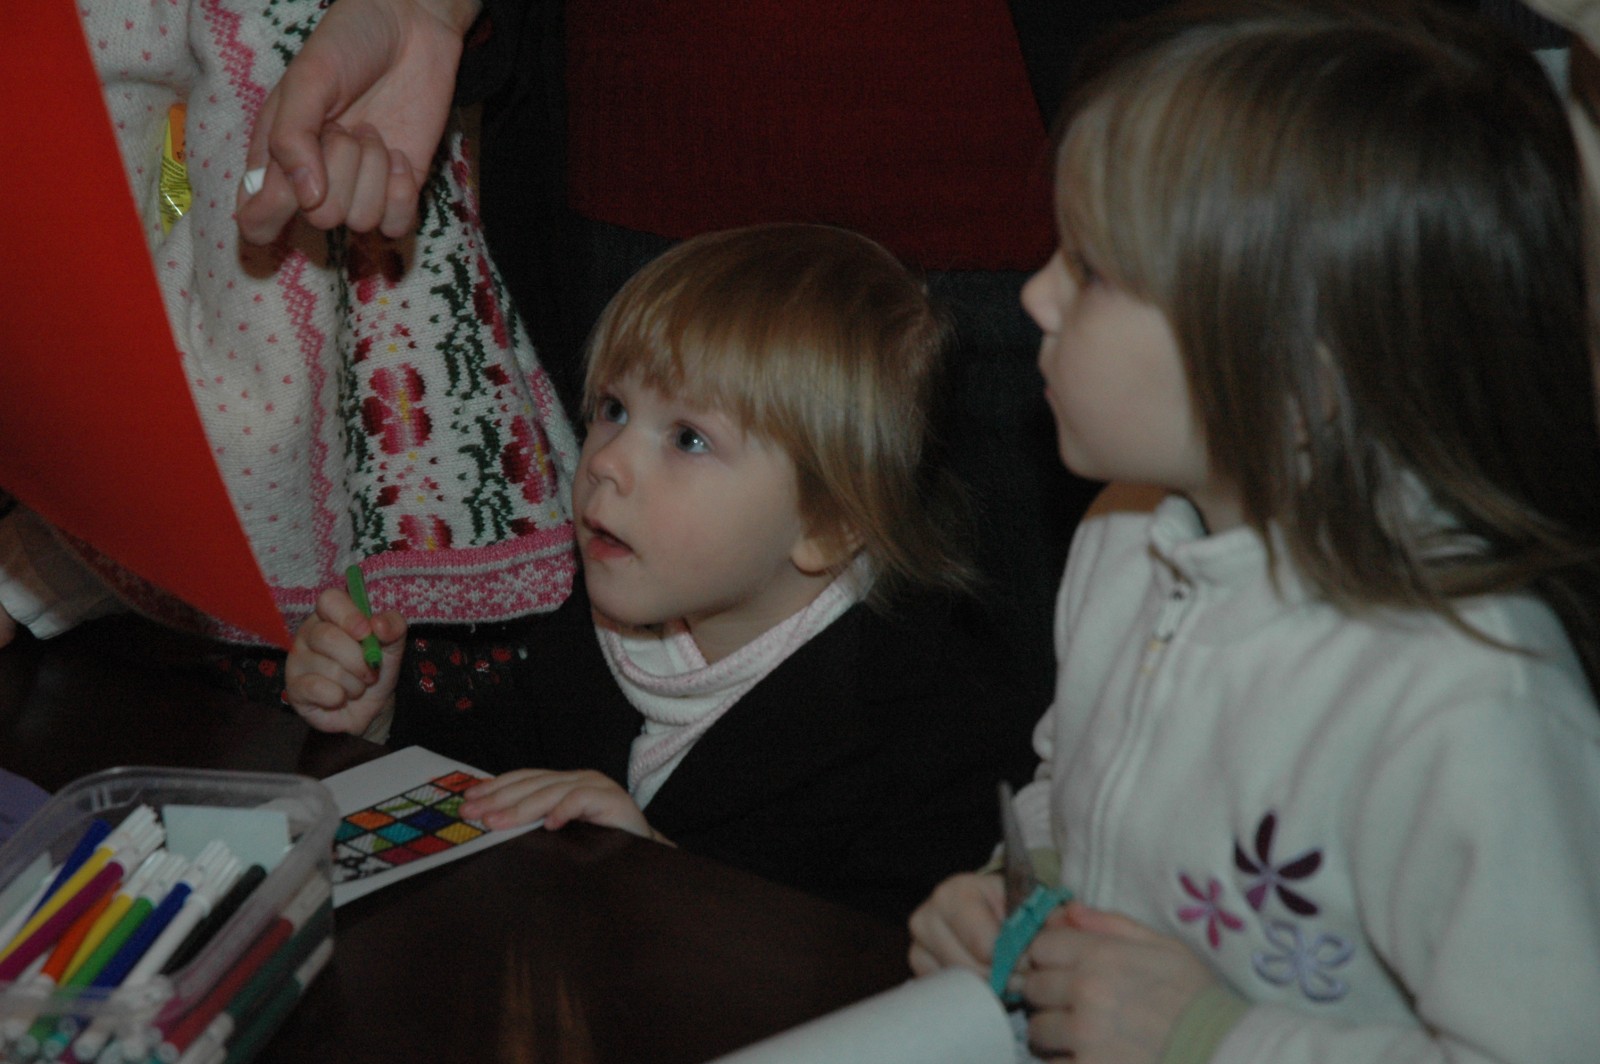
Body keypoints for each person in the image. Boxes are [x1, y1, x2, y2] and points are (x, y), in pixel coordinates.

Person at [907, 2, 1600, 1061]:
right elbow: (1081, 787)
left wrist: (1209, 1039)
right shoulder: (1124, 537)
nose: (1035, 295)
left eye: (1092, 270)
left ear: (1299, 376)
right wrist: (1020, 886)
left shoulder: (1467, 700)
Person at [285, 223, 1039, 920]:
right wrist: (381, 720)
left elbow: (877, 971)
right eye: (613, 408)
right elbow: (489, 777)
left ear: (828, 525)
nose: (606, 461)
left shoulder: (939, 731)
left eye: (688, 439)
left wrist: (660, 871)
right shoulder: (594, 627)